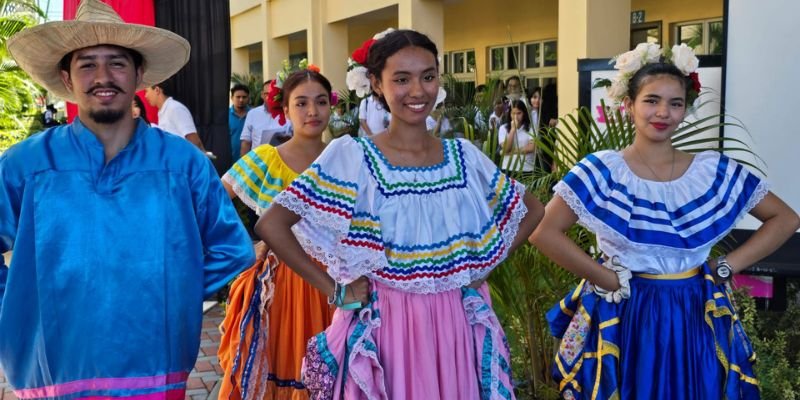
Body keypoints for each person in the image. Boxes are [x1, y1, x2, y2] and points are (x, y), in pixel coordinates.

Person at [258, 29, 544, 399]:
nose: (418, 91)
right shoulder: (353, 158)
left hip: (455, 324)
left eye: (428, 76)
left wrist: (483, 268)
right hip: (387, 327)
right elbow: (273, 224)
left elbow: (531, 210)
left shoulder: (463, 158)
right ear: (376, 84)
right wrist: (336, 290)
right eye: (402, 79)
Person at [0, 0, 255, 398]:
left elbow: (233, 249)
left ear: (139, 74)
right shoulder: (25, 165)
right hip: (52, 366)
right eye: (87, 64)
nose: (103, 77)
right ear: (67, 77)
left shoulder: (183, 164)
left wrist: (170, 292)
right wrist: (19, 305)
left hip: (154, 363)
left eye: (117, 63)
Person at [529, 43, 800, 399]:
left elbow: (785, 218)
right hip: (628, 312)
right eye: (651, 100)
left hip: (693, 310)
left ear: (686, 109)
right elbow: (544, 232)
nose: (663, 112)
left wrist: (726, 266)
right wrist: (605, 277)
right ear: (629, 105)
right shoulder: (603, 170)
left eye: (675, 103)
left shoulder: (711, 171)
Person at [217, 67, 335, 400]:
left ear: (331, 106)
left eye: (321, 101)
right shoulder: (268, 158)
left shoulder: (344, 156)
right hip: (284, 283)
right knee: (288, 365)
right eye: (301, 103)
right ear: (284, 110)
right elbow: (213, 201)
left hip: (336, 279)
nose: (312, 111)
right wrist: (243, 246)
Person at [144, 80, 207, 151]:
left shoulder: (175, 108)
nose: (146, 96)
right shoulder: (162, 112)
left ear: (157, 90)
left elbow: (195, 141)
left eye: (147, 91)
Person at [240, 80, 293, 155]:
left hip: (283, 158)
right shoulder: (253, 114)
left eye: (274, 94)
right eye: (267, 94)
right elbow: (246, 142)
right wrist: (244, 161)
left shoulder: (289, 112)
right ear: (262, 95)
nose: (270, 97)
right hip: (258, 159)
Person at [498, 99, 536, 178]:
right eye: (513, 113)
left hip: (526, 169)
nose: (515, 117)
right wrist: (512, 130)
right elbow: (506, 149)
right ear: (509, 114)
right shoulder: (503, 128)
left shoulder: (531, 128)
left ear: (524, 113)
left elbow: (531, 148)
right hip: (508, 168)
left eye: (519, 113)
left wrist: (510, 152)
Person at [229, 83, 251, 161]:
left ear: (248, 98)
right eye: (238, 97)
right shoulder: (225, 116)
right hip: (230, 160)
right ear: (232, 98)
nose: (241, 100)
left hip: (251, 160)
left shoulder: (254, 115)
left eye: (244, 97)